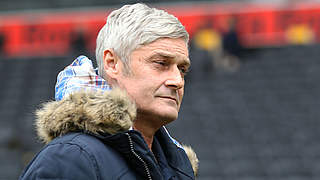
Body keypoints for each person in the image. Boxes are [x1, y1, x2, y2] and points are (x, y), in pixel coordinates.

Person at [19, 3, 198, 180]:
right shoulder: (69, 159)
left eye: (182, 69)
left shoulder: (178, 165)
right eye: (161, 63)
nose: (177, 81)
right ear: (112, 63)